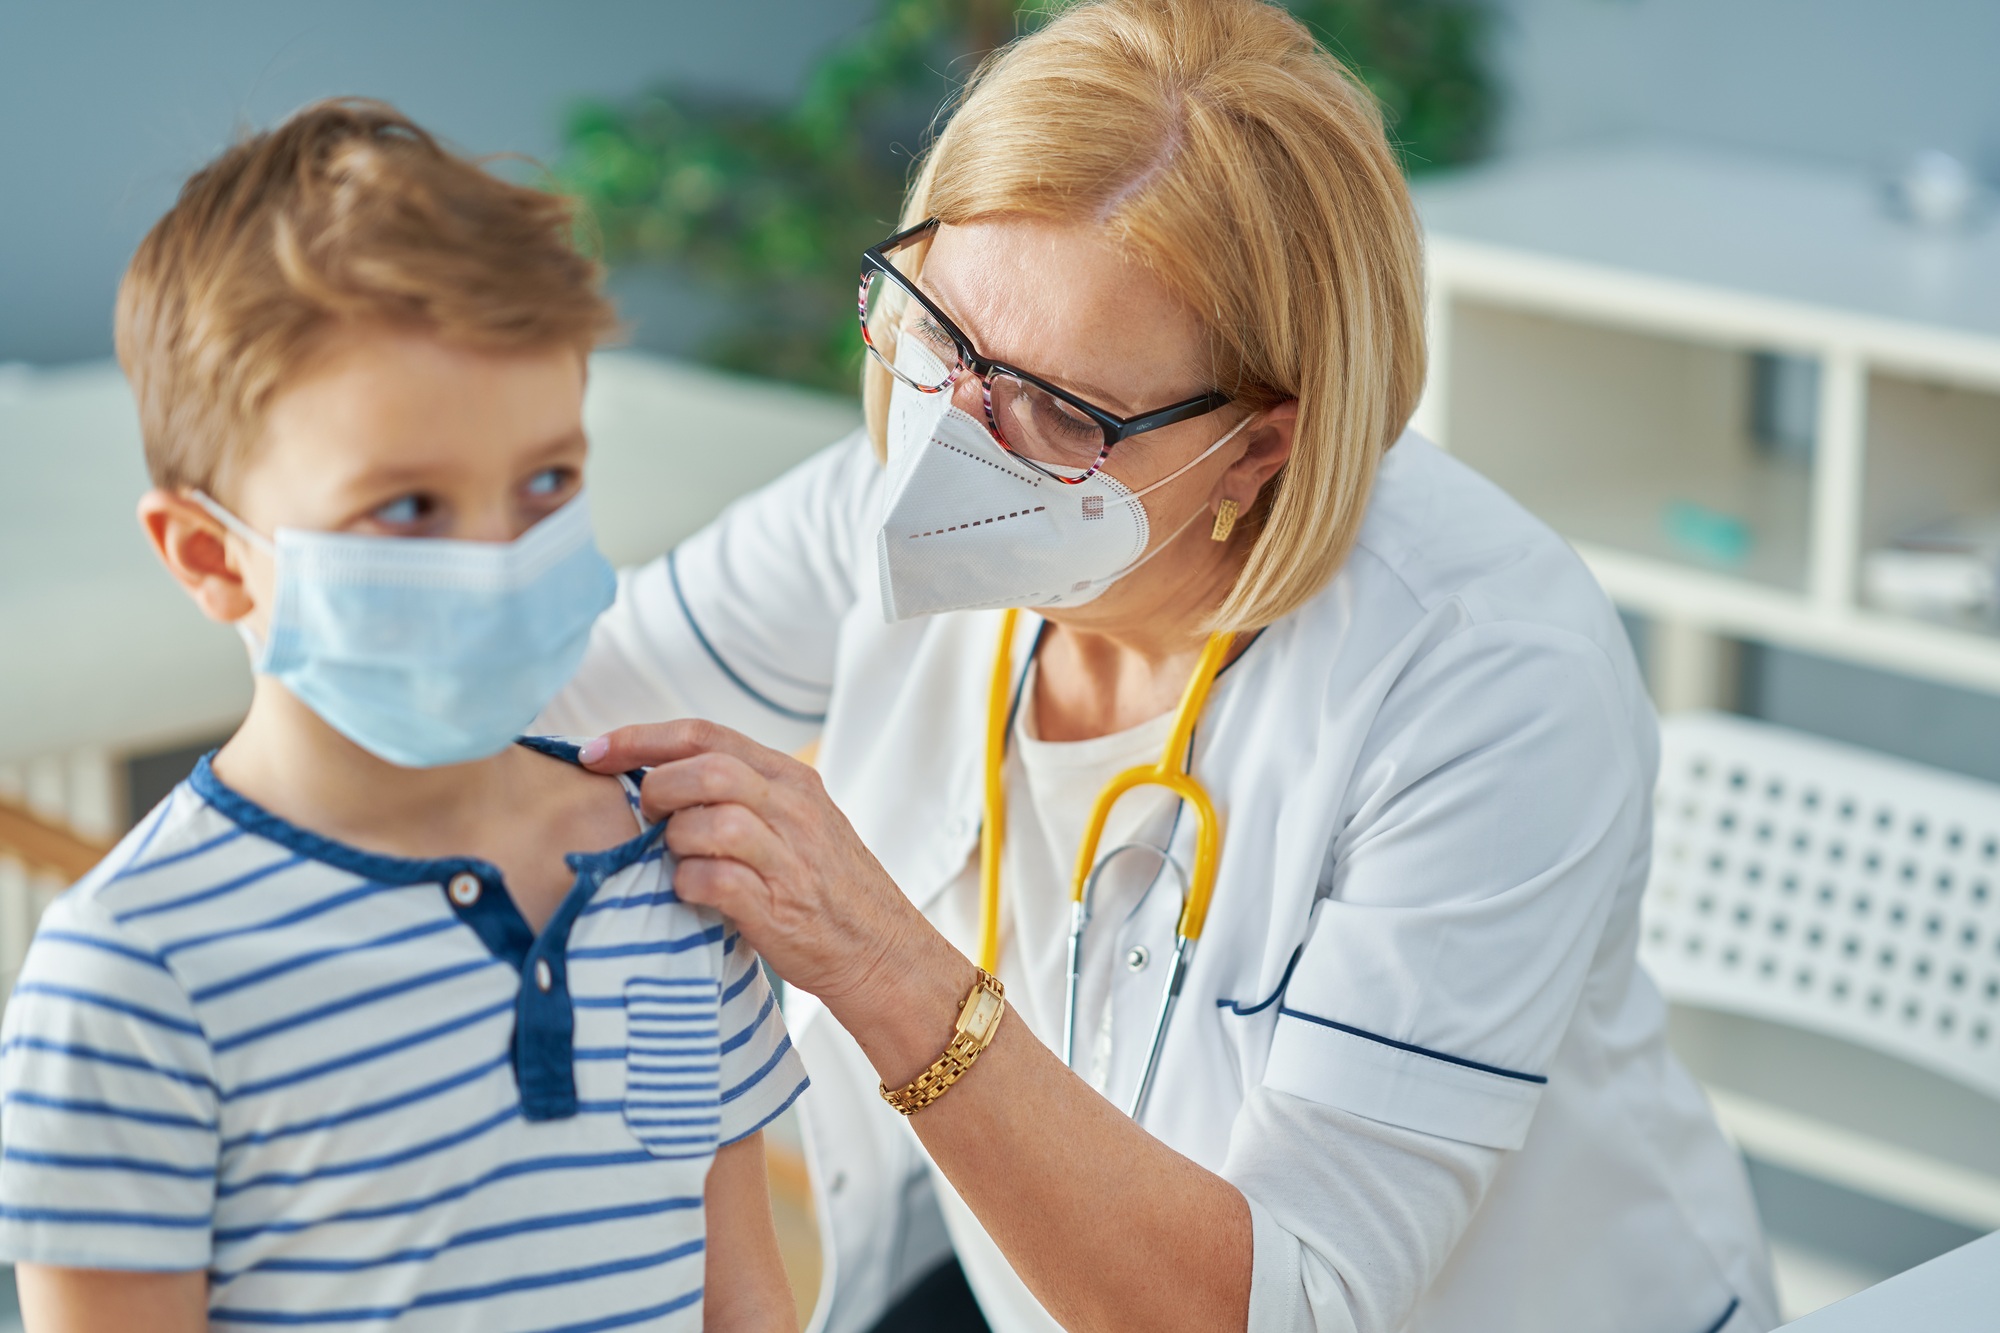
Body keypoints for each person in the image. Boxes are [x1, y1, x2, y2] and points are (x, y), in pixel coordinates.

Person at [544, 2, 1782, 1331]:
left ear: (1258, 449)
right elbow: (558, 710)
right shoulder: (897, 496)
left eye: (1062, 411)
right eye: (933, 326)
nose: (948, 439)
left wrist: (882, 962)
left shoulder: (1489, 676)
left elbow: (1285, 1305)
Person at [0, 101, 805, 1332]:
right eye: (409, 507)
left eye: (546, 481)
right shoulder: (131, 980)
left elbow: (745, 1301)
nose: (498, 555)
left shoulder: (671, 861)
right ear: (211, 557)